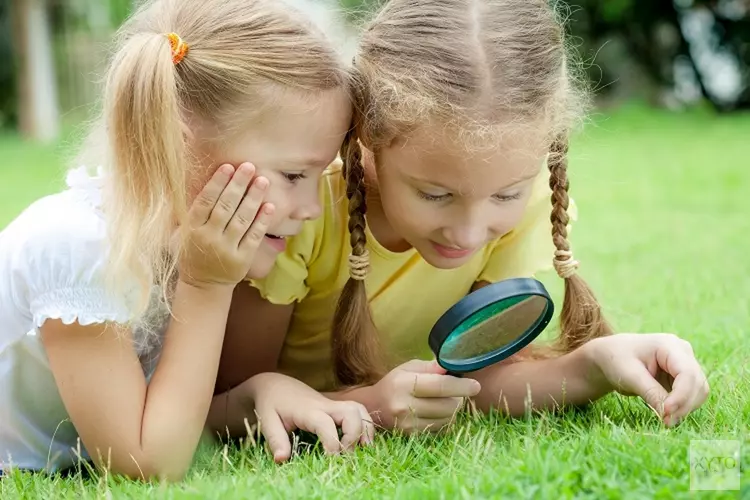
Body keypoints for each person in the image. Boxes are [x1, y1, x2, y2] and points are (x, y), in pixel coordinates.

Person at [214, 0, 710, 435]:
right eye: (434, 194)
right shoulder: (304, 208)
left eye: (506, 194)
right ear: (368, 134)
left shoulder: (532, 202)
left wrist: (596, 365)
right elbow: (233, 393)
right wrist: (368, 405)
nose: (470, 233)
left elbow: (482, 380)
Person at [0, 0, 374, 482]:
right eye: (292, 174)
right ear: (177, 147)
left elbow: (159, 414)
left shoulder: (181, 237)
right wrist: (206, 287)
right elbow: (145, 463)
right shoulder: (81, 249)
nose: (311, 209)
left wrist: (257, 393)